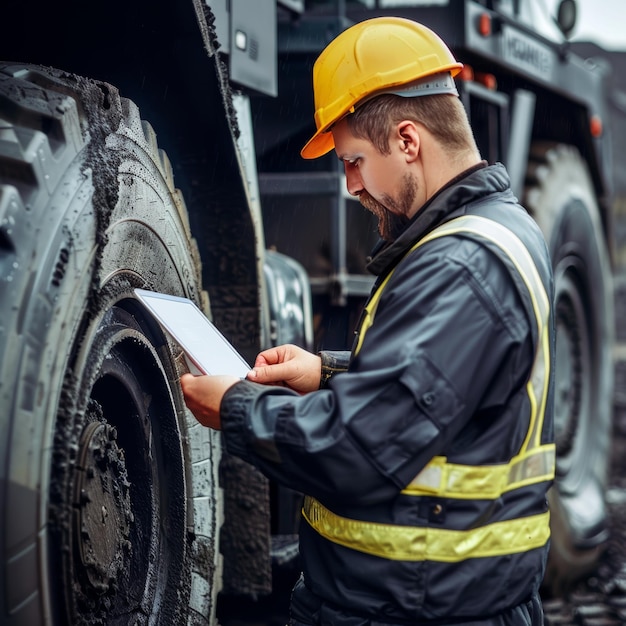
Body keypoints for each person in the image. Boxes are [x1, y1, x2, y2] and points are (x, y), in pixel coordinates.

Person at [181, 15, 555, 626]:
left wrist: (237, 409)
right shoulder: (489, 233)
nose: (350, 184)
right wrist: (324, 373)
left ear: (408, 141)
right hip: (423, 599)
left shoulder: (460, 266)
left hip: (421, 608)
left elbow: (359, 448)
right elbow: (446, 388)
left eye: (354, 160)